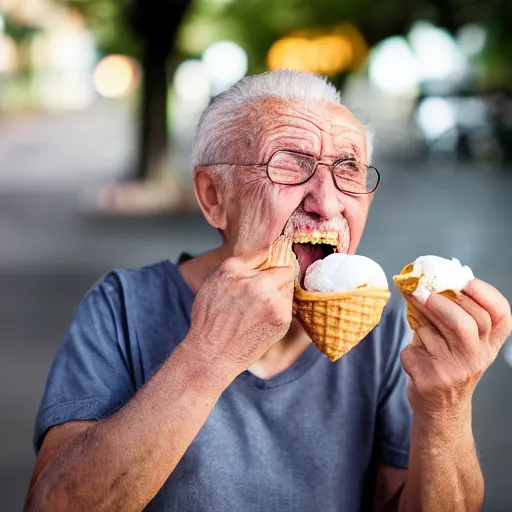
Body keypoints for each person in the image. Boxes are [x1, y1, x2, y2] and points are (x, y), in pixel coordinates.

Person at [25, 71, 511, 512]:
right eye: (290, 164)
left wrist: (446, 407)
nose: (326, 203)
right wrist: (209, 355)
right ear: (215, 197)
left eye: (347, 169)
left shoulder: (387, 336)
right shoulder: (122, 308)